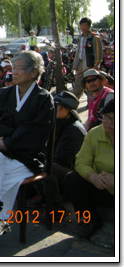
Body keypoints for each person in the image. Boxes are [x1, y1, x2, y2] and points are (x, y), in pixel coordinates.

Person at [0, 50, 54, 253]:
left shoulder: (43, 99)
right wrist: (3, 141)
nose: (13, 72)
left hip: (27, 156)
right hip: (2, 152)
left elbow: (36, 132)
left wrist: (8, 141)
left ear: (34, 73)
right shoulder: (4, 95)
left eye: (19, 68)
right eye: (12, 67)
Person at [64, 100, 114, 239]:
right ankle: (89, 220)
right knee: (72, 179)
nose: (109, 122)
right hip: (103, 188)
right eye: (106, 117)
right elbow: (81, 162)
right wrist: (93, 177)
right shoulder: (95, 133)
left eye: (114, 118)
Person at [28, 91, 86, 208]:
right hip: (56, 162)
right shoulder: (57, 121)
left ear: (67, 108)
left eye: (58, 105)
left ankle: (55, 204)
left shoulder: (74, 130)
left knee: (48, 167)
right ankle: (43, 195)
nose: (54, 107)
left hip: (71, 172)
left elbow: (64, 159)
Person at [72, 17, 103, 99]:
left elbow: (98, 52)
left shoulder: (94, 37)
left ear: (89, 26)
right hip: (80, 65)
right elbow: (78, 52)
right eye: (81, 25)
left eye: (85, 25)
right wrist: (75, 66)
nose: (83, 27)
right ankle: (72, 105)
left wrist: (96, 65)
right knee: (77, 86)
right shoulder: (80, 38)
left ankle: (93, 104)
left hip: (89, 65)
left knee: (91, 87)